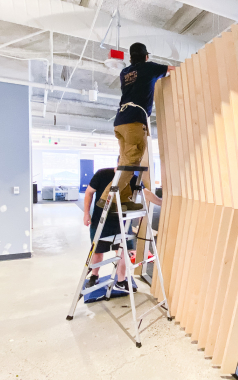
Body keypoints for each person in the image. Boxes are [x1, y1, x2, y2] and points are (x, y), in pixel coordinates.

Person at [97, 42, 174, 212]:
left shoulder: (125, 72)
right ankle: (106, 198)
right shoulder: (149, 68)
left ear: (131, 58)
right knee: (132, 162)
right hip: (134, 122)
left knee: (125, 162)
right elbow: (172, 69)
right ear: (146, 56)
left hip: (120, 121)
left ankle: (123, 199)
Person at [84, 166, 163, 293]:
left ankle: (121, 281)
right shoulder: (102, 174)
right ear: (119, 164)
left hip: (121, 221)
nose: (129, 173)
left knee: (121, 252)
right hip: (101, 220)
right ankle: (94, 275)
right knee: (97, 251)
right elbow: (89, 192)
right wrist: (86, 213)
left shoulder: (132, 178)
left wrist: (160, 202)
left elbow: (145, 192)